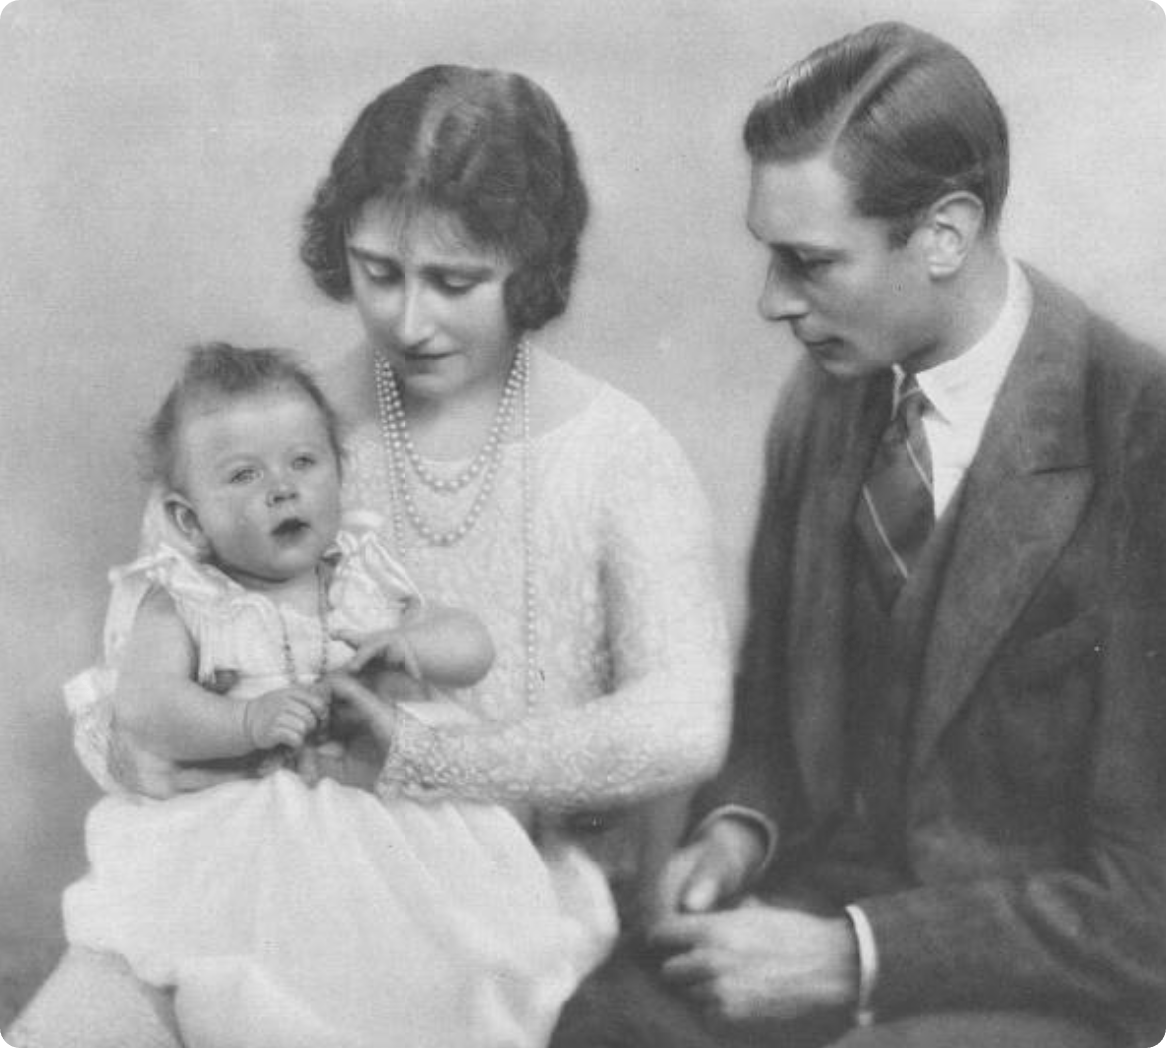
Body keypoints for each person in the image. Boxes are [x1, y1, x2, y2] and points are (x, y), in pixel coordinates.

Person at [8, 65, 730, 1045]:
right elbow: (150, 664)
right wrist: (152, 746)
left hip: (469, 891)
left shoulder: (616, 450)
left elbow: (685, 720)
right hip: (234, 875)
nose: (408, 320)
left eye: (455, 281)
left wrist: (431, 757)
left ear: (530, 261)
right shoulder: (264, 434)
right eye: (376, 271)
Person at [550, 21, 1166, 1048]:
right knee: (601, 1020)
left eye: (808, 262)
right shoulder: (822, 401)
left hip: (1039, 981)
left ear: (941, 234)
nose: (770, 301)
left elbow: (1148, 901)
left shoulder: (1139, 436)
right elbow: (768, 721)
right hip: (807, 907)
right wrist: (736, 833)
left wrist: (856, 954)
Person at [58, 342, 610, 1048]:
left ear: (338, 475)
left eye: (303, 463)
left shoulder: (359, 573)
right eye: (243, 475)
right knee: (263, 950)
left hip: (384, 805)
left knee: (437, 939)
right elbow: (147, 706)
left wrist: (414, 644)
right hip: (251, 811)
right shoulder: (184, 602)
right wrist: (247, 718)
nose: (282, 489)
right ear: (190, 519)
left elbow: (472, 644)